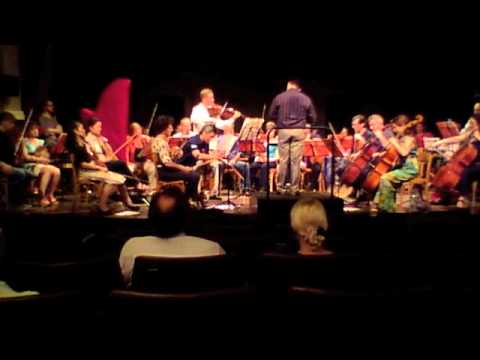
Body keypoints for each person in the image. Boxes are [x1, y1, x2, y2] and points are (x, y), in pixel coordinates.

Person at [119, 187, 225, 285]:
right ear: (187, 217)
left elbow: (125, 281)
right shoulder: (213, 250)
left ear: (151, 217)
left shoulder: (132, 247)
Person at [66, 121, 139, 215]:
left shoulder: (83, 144)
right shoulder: (76, 146)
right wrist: (98, 168)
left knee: (120, 178)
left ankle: (128, 202)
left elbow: (91, 159)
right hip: (85, 172)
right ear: (76, 131)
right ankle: (102, 205)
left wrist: (99, 163)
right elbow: (82, 164)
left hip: (91, 169)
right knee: (114, 179)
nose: (84, 130)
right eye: (81, 128)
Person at [268, 80, 317, 193]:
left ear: (288, 86)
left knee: (283, 160)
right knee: (296, 161)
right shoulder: (305, 98)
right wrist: (305, 120)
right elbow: (313, 117)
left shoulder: (279, 97)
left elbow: (271, 114)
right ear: (298, 87)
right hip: (299, 131)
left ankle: (280, 187)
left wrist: (279, 119)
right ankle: (294, 188)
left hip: (284, 130)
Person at [373, 115, 418, 212]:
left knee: (385, 178)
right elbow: (395, 152)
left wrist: (393, 141)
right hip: (402, 167)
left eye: (395, 127)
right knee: (381, 176)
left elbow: (404, 152)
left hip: (410, 169)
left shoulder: (410, 138)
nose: (394, 130)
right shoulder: (402, 138)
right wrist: (380, 153)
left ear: (403, 126)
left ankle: (387, 208)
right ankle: (387, 205)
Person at [150, 115, 201, 199]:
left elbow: (167, 159)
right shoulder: (160, 141)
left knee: (193, 174)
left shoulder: (162, 140)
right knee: (194, 176)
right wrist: (183, 168)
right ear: (164, 128)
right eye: (170, 128)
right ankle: (189, 199)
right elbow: (167, 163)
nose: (172, 130)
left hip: (166, 169)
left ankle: (188, 198)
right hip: (163, 172)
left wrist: (175, 154)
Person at [20, 123, 61, 207]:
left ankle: (50, 194)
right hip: (30, 164)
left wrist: (45, 156)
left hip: (41, 164)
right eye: (33, 129)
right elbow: (25, 157)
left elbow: (46, 155)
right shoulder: (24, 141)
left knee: (57, 171)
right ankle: (41, 197)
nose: (36, 131)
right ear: (28, 131)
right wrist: (39, 159)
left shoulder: (41, 141)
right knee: (47, 170)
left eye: (37, 129)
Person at [177, 124, 222, 198]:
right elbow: (197, 155)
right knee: (204, 166)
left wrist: (215, 157)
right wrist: (214, 156)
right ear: (204, 133)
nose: (211, 139)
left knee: (215, 165)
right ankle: (196, 194)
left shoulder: (205, 143)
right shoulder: (193, 141)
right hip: (184, 166)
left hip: (195, 165)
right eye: (211, 137)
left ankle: (213, 193)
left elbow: (205, 157)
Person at [213, 122, 251, 194]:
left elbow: (239, 152)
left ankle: (246, 188)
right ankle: (217, 189)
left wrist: (234, 160)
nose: (228, 130)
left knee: (246, 165)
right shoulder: (219, 138)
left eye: (230, 128)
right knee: (218, 165)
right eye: (226, 128)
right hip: (222, 160)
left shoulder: (235, 139)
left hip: (233, 161)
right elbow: (215, 151)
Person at [125, 122, 157, 193]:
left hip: (144, 162)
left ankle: (152, 189)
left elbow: (151, 145)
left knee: (152, 168)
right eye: (137, 129)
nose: (139, 130)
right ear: (132, 131)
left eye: (139, 128)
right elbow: (126, 152)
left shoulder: (144, 139)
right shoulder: (129, 139)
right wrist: (127, 162)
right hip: (134, 163)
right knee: (133, 169)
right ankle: (136, 187)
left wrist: (150, 141)